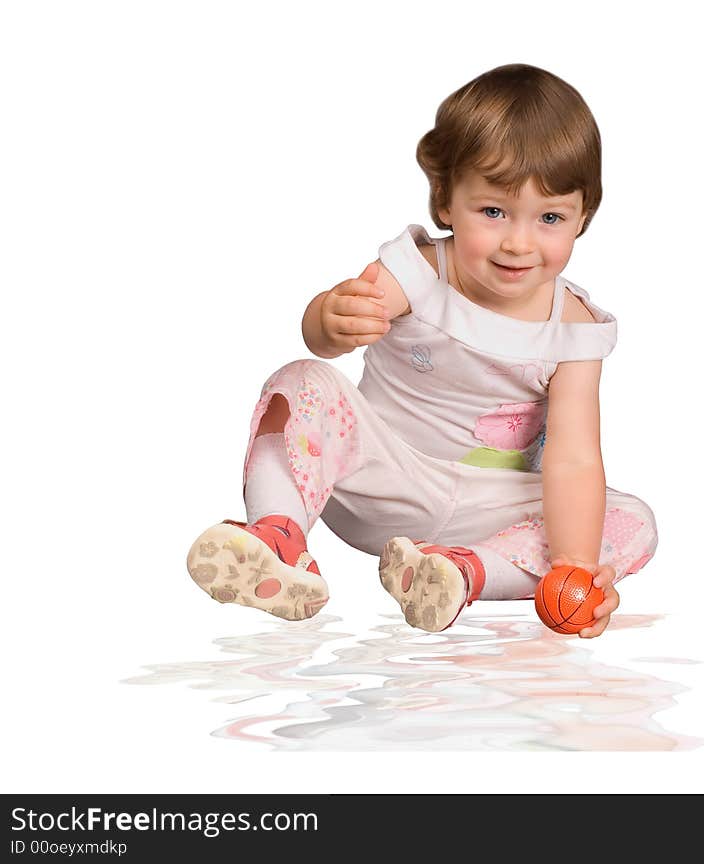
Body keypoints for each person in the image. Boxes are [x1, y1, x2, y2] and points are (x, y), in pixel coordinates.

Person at [186, 63, 658, 638]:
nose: (518, 242)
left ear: (582, 218)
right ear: (445, 202)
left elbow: (574, 459)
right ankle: (278, 541)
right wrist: (332, 318)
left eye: (550, 218)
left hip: (492, 509)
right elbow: (321, 337)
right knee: (300, 378)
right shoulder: (417, 273)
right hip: (380, 478)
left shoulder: (575, 333)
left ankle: (458, 573)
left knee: (631, 521)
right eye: (492, 212)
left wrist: (576, 569)